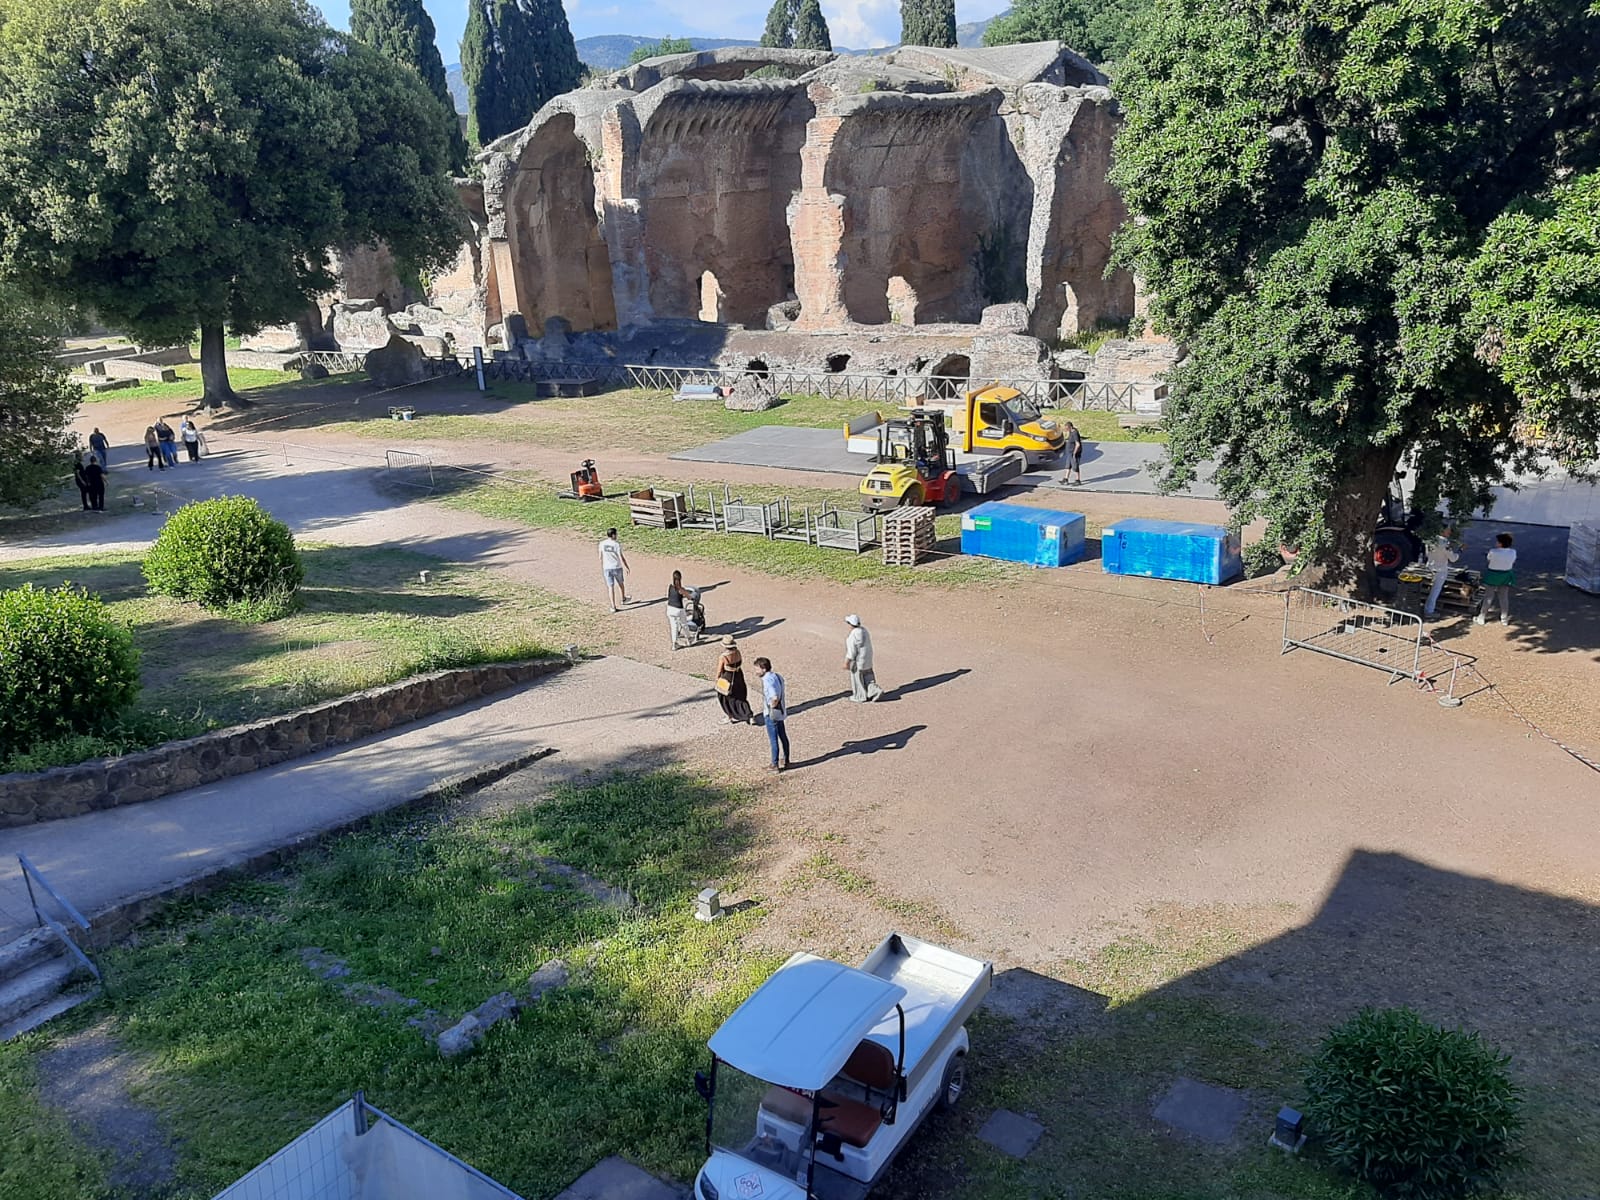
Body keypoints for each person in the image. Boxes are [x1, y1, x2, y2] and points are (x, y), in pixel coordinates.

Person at [754, 657, 790, 771]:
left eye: (757, 669)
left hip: (772, 713)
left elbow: (774, 697)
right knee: (783, 736)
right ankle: (786, 759)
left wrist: (771, 707)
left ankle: (774, 764)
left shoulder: (767, 680)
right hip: (780, 712)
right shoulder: (777, 676)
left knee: (773, 739)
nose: (756, 672)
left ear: (763, 669)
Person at [1476, 532, 1517, 626]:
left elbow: (1489, 559)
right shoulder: (1513, 552)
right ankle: (1504, 618)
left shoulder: (1493, 551)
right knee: (1503, 597)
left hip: (1493, 574)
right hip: (1506, 574)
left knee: (1488, 596)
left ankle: (1482, 616)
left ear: (1500, 543)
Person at [715, 636, 756, 725]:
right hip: (738, 675)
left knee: (725, 697)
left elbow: (719, 670)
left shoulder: (723, 657)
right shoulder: (737, 652)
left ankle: (729, 716)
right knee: (741, 696)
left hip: (728, 676)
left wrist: (717, 679)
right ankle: (749, 715)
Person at [844, 614, 883, 702]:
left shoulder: (853, 636)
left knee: (857, 678)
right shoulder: (864, 630)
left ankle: (860, 696)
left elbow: (851, 652)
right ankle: (875, 691)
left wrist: (847, 663)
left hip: (858, 661)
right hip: (868, 659)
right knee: (869, 677)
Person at [1422, 528, 1459, 618]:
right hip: (1440, 569)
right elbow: (1453, 558)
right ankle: (1429, 610)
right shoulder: (1445, 544)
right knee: (1435, 590)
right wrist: (1459, 551)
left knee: (1430, 588)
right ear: (1442, 531)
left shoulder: (1430, 540)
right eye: (1448, 530)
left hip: (1430, 567)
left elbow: (1427, 554)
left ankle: (1427, 606)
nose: (1450, 532)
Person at [599, 528, 631, 611]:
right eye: (616, 534)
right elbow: (621, 557)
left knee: (610, 587)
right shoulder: (616, 544)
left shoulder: (602, 544)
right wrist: (626, 566)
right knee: (621, 583)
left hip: (607, 568)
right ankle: (623, 598)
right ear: (613, 535)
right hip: (617, 567)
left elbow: (600, 556)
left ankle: (613, 606)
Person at [666, 569, 693, 650]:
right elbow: (689, 597)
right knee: (684, 624)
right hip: (678, 609)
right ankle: (689, 638)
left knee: (674, 626)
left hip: (670, 608)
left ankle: (674, 644)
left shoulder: (670, 587)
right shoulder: (681, 589)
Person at [1063, 421, 1084, 485]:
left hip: (1074, 453)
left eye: (1067, 429)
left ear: (1070, 427)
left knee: (1075, 466)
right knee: (1068, 466)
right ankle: (1065, 479)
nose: (1066, 430)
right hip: (1070, 452)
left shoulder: (1075, 433)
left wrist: (1074, 453)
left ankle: (1078, 480)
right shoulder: (1071, 431)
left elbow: (1078, 444)